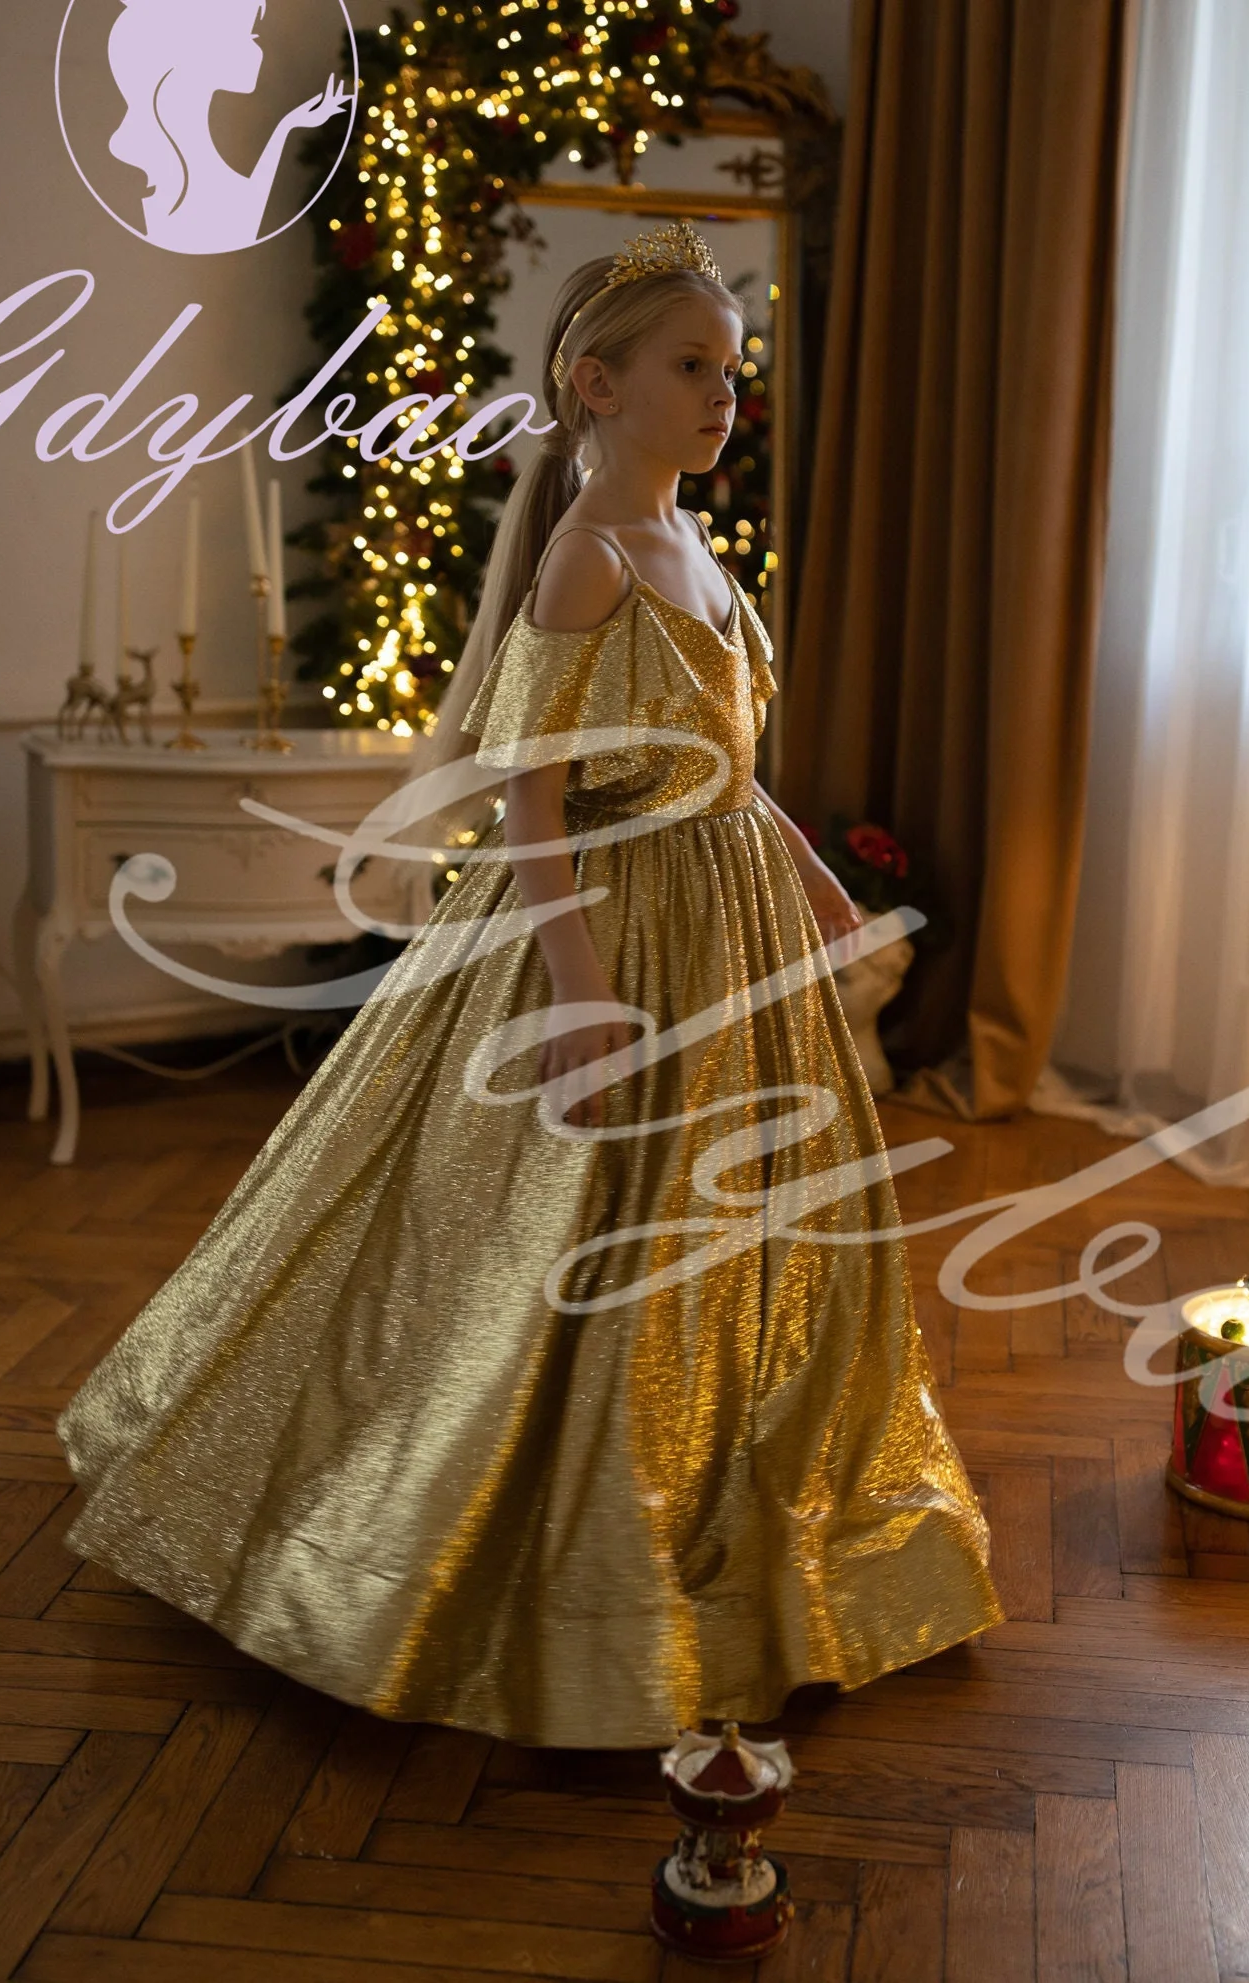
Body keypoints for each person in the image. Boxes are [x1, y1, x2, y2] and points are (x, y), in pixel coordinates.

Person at [56, 222, 1004, 1748]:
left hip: (734, 922)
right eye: (694, 368)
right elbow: (535, 800)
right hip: (606, 926)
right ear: (595, 383)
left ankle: (743, 1519)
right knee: (564, 1226)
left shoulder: (701, 544)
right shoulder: (585, 557)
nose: (724, 396)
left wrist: (826, 891)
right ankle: (524, 1550)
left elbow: (732, 772)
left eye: (732, 371)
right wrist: (576, 995)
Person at [105, 0, 350, 254]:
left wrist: (287, 126)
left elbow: (243, 212)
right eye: (250, 35)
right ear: (202, 44)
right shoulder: (177, 173)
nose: (259, 50)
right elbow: (238, 218)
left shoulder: (191, 158)